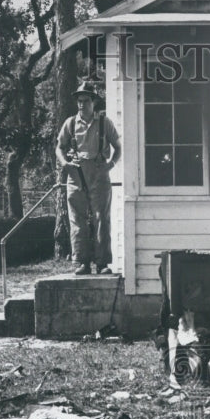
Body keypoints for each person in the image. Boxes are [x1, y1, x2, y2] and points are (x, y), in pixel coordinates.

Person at [55, 80, 122, 275]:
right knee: (77, 219)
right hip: (76, 173)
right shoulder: (70, 123)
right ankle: (82, 262)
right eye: (79, 101)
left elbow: (118, 147)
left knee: (102, 218)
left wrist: (111, 164)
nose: (81, 104)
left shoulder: (104, 122)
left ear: (93, 101)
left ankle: (102, 264)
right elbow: (59, 147)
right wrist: (64, 163)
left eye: (85, 100)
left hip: (99, 172)